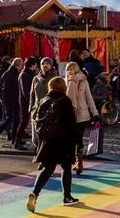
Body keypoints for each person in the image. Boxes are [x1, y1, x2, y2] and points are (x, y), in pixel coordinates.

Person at [26, 76, 81, 212]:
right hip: (63, 140)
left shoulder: (44, 100)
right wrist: (78, 140)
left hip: (48, 140)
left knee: (47, 168)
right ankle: (67, 197)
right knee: (66, 167)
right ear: (63, 87)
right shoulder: (65, 101)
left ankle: (34, 193)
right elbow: (71, 123)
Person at [65, 62, 99, 176]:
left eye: (72, 69)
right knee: (71, 139)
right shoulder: (65, 81)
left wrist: (95, 113)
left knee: (78, 139)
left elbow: (89, 98)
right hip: (69, 115)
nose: (70, 71)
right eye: (68, 69)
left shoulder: (83, 81)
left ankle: (79, 162)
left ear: (76, 70)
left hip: (82, 115)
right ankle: (72, 161)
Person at [0, 57, 23, 143]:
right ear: (19, 65)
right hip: (10, 99)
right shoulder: (9, 73)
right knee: (9, 119)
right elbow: (5, 88)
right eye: (21, 65)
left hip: (14, 99)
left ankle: (15, 139)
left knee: (16, 120)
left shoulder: (13, 72)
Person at [29, 57, 57, 147]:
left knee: (46, 137)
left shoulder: (55, 78)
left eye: (47, 63)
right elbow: (32, 94)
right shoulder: (36, 78)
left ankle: (43, 157)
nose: (45, 65)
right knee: (35, 139)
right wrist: (31, 107)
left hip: (48, 111)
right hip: (36, 110)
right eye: (42, 63)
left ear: (51, 65)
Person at [13, 57, 38, 150]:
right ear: (32, 65)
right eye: (35, 64)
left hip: (27, 101)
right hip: (25, 102)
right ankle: (17, 141)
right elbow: (25, 91)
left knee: (24, 121)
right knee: (23, 121)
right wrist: (31, 102)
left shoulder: (28, 73)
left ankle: (19, 139)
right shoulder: (24, 74)